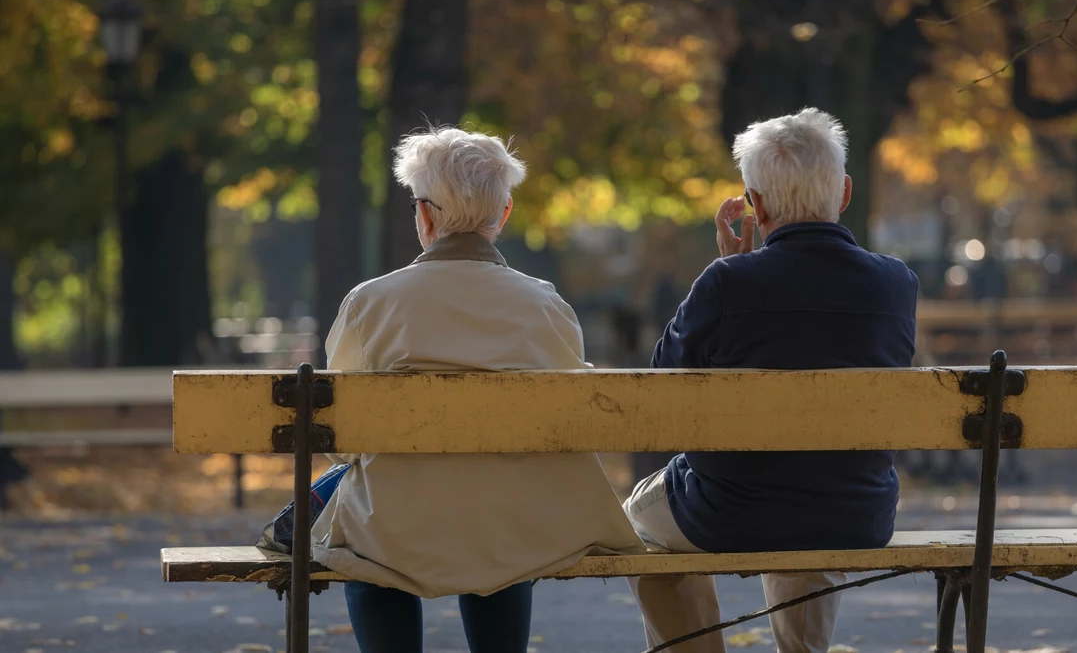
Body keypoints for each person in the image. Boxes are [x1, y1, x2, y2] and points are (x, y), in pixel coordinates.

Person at [314, 126, 644, 653]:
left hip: (398, 527)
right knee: (497, 524)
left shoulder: (370, 303)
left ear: (424, 215)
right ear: (504, 213)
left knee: (370, 550)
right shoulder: (544, 304)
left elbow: (343, 437)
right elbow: (568, 428)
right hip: (515, 525)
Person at [624, 108, 919, 653]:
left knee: (638, 521)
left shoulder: (727, 282)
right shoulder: (895, 285)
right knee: (810, 494)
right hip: (855, 512)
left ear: (755, 205)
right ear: (845, 192)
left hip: (726, 513)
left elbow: (659, 380)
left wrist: (730, 270)